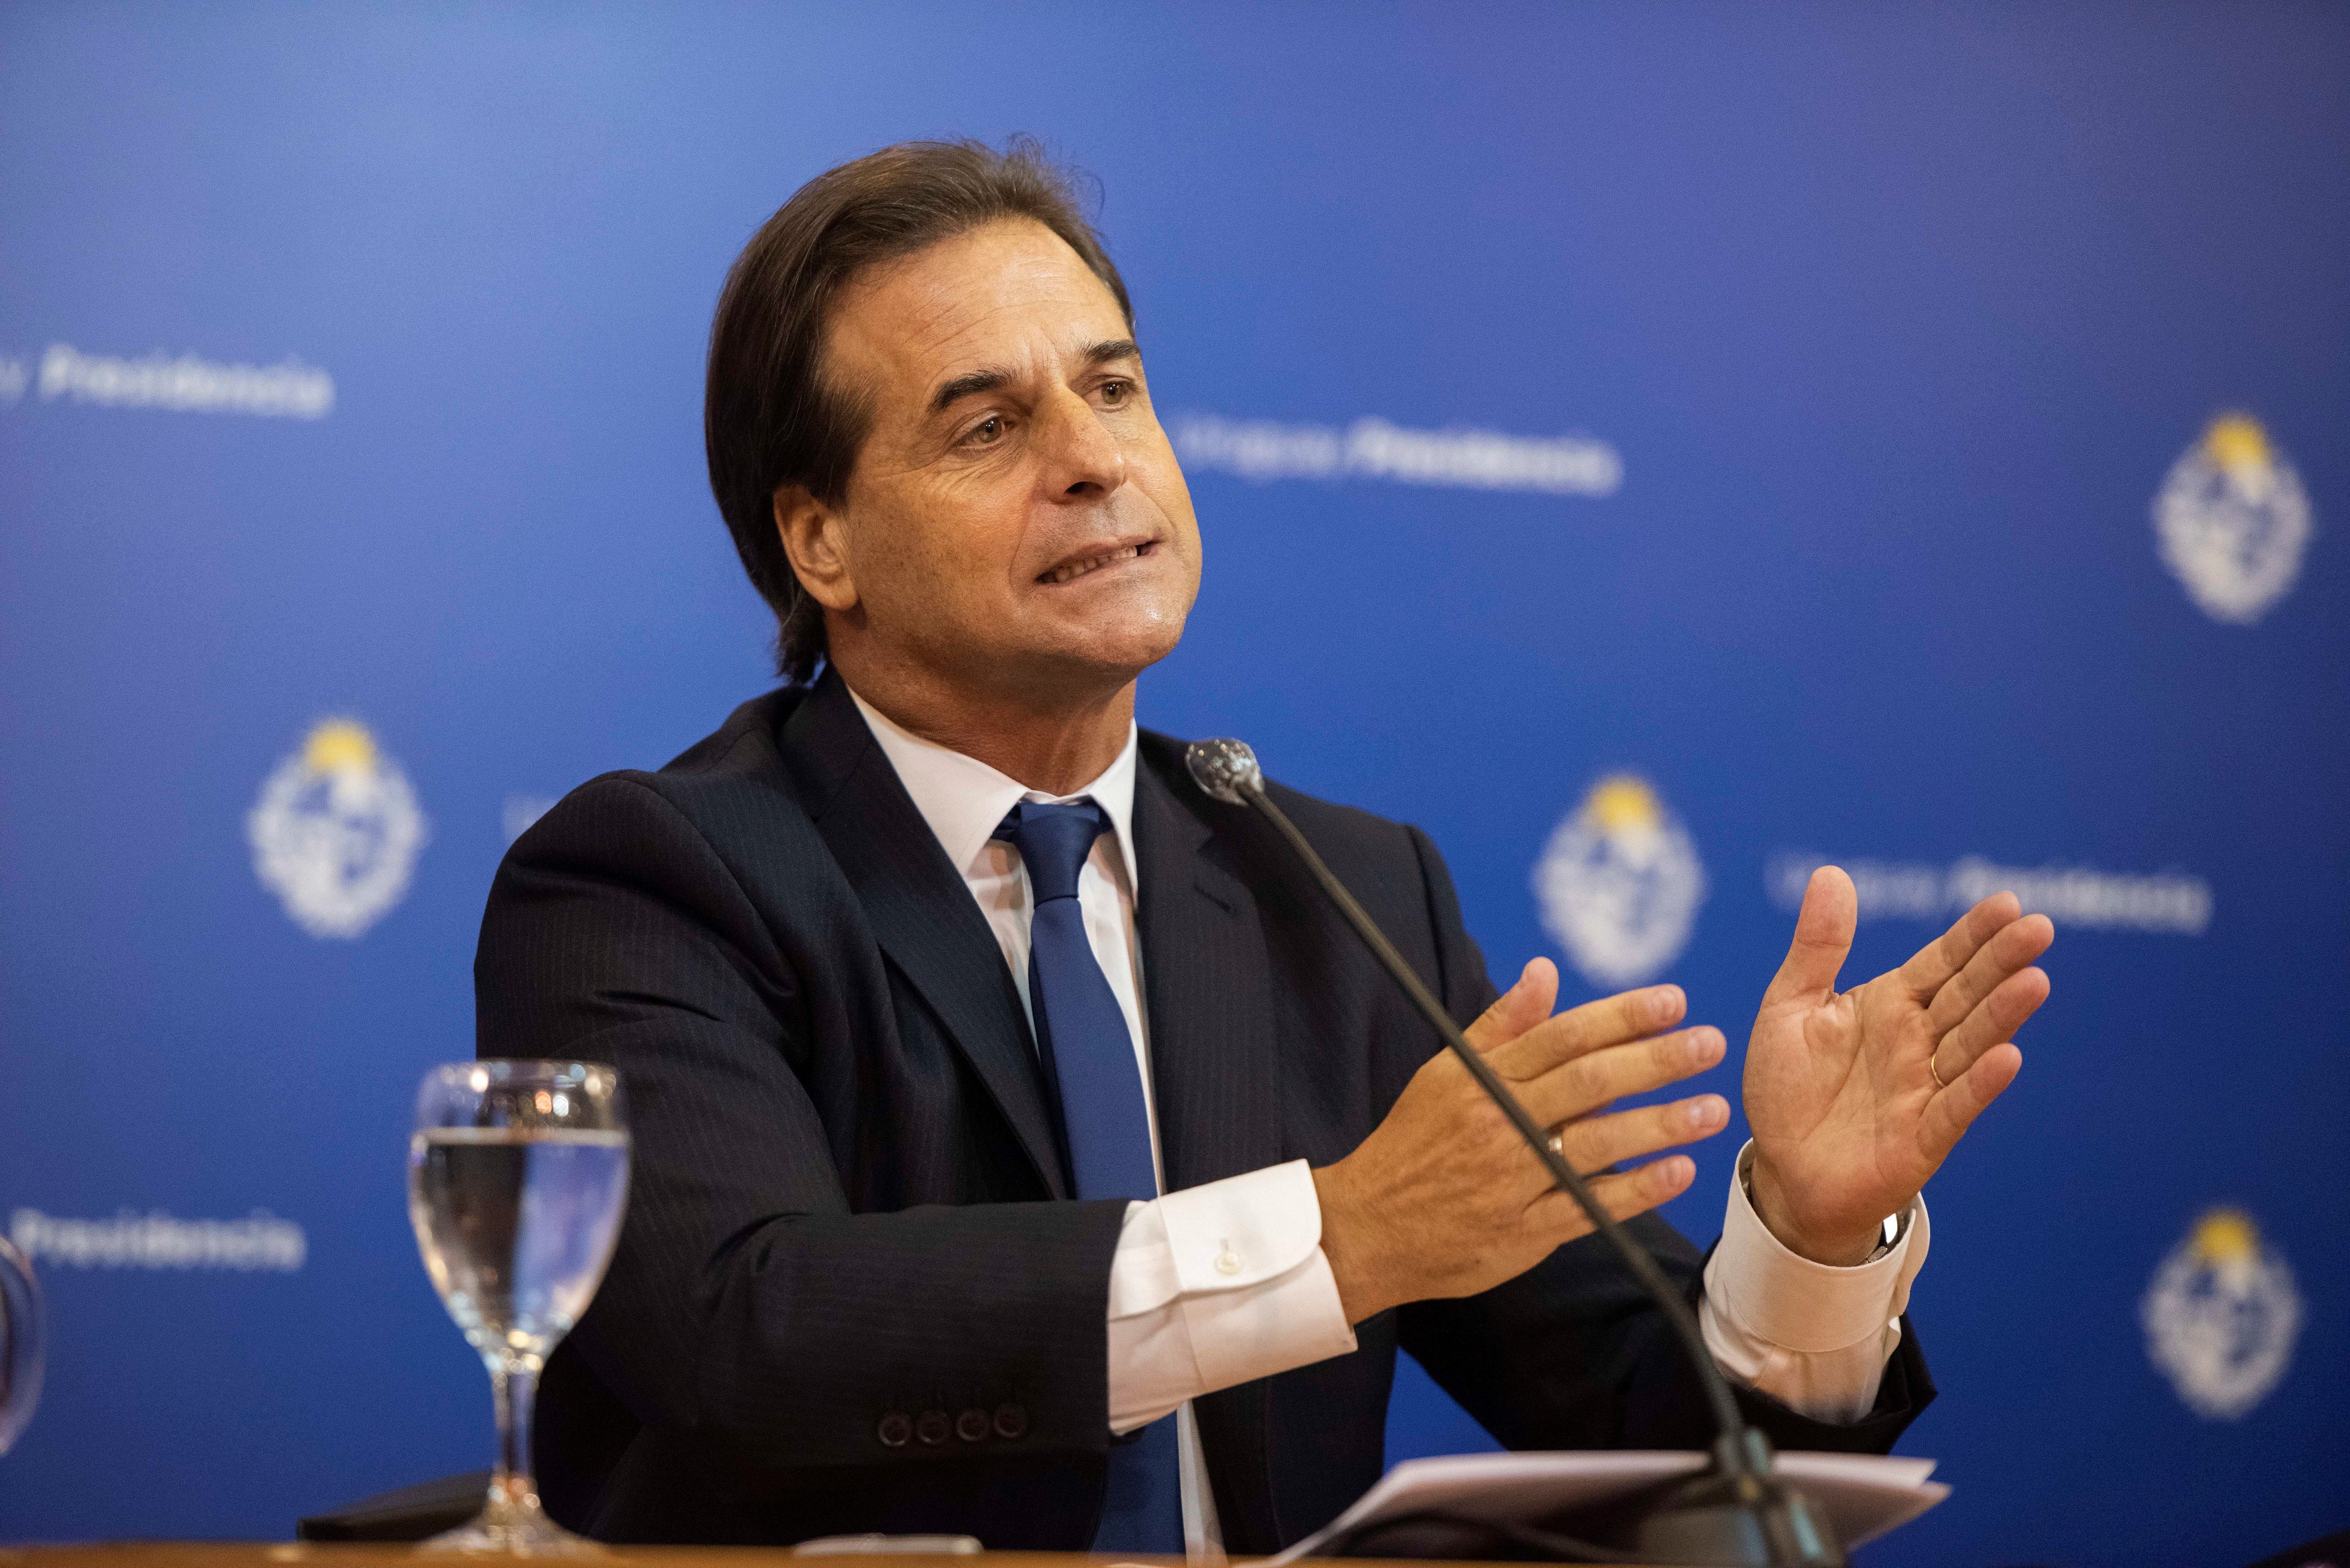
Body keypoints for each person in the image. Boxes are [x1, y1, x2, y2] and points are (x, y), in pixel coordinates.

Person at [476, 138, 2053, 1553]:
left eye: (1111, 386)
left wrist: (1808, 1233)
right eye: (985, 425)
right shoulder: (654, 880)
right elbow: (743, 1336)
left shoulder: (1341, 894)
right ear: (819, 539)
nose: (1093, 458)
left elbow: (1684, 1455)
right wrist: (1338, 1235)